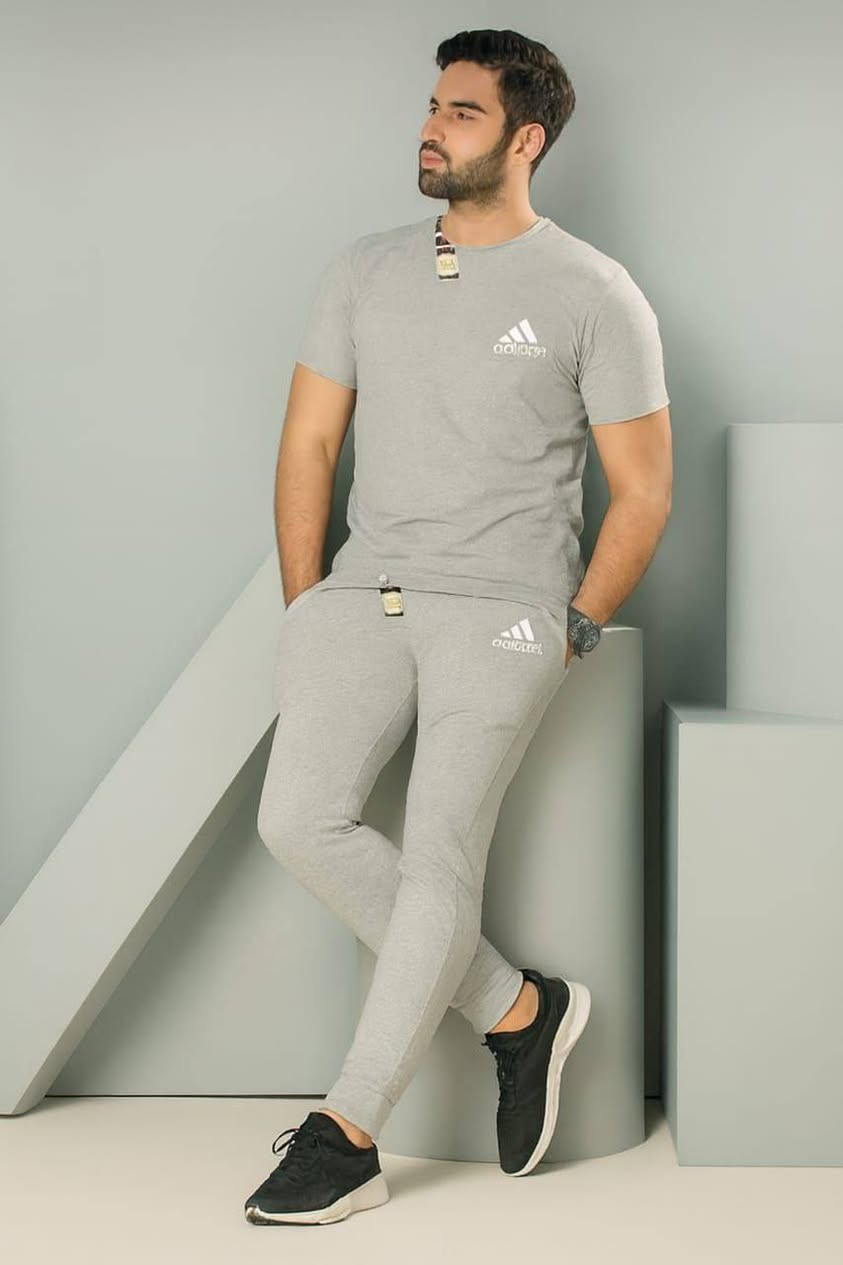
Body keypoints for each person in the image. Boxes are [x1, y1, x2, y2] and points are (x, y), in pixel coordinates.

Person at [245, 27, 672, 1226]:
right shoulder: (363, 271)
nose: (432, 127)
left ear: (526, 140)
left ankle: (347, 1132)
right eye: (434, 106)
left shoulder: (595, 292)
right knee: (297, 818)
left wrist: (577, 620)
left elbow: (645, 489)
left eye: (463, 112)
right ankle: (521, 1010)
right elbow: (309, 444)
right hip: (362, 596)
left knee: (439, 852)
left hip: (508, 610)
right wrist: (307, 606)